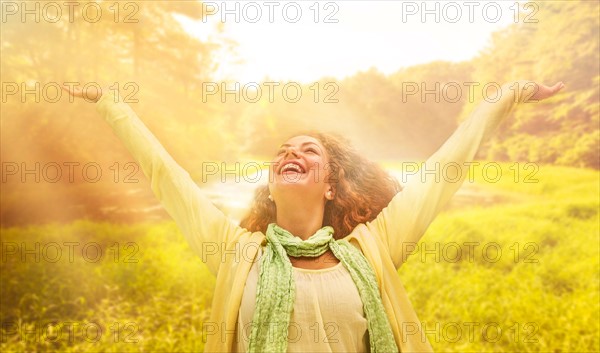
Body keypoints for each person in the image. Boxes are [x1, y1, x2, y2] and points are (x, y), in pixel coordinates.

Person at [63, 80, 564, 352]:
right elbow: (166, 178)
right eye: (283, 149)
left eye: (309, 149)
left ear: (329, 185)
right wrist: (112, 106)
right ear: (272, 181)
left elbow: (442, 173)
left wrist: (500, 101)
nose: (291, 152)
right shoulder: (238, 254)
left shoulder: (372, 248)